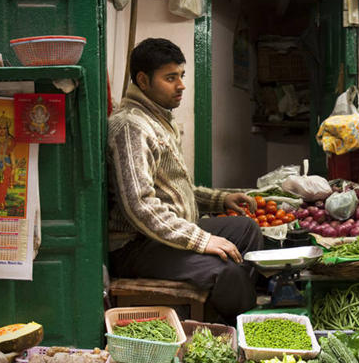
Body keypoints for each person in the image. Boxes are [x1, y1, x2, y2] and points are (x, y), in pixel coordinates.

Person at [107, 38, 262, 321]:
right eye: (170, 78)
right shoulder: (130, 126)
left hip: (169, 233)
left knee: (247, 229)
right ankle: (227, 326)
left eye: (181, 76)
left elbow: (175, 187)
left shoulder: (158, 119)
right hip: (137, 245)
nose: (181, 85)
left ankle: (228, 303)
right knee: (229, 272)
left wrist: (219, 199)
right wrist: (201, 240)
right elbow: (139, 205)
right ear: (143, 80)